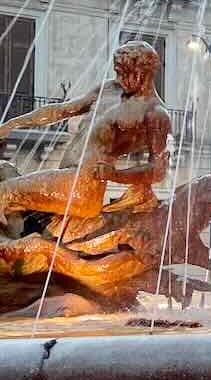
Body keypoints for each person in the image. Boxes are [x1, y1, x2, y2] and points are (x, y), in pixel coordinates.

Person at [0, 40, 170, 234]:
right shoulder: (109, 89)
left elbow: (158, 170)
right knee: (4, 170)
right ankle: (21, 244)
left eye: (125, 72)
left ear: (144, 72)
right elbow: (62, 110)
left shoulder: (155, 113)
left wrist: (115, 175)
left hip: (83, 186)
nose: (120, 78)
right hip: (64, 175)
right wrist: (11, 125)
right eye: (117, 71)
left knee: (5, 192)